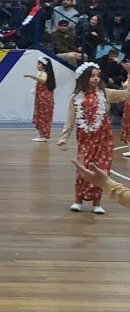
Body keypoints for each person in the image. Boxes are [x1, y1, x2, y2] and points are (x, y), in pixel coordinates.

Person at [58, 61, 130, 214]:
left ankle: (97, 202)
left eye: (98, 76)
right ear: (83, 78)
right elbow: (70, 119)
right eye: (92, 76)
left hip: (104, 140)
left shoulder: (105, 93)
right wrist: (64, 138)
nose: (96, 78)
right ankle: (78, 200)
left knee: (102, 169)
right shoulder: (75, 98)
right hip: (85, 141)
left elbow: (126, 95)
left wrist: (129, 74)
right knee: (82, 170)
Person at [24, 57, 56, 142]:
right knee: (42, 115)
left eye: (39, 64)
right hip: (42, 97)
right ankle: (42, 134)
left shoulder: (44, 73)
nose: (37, 65)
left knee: (43, 115)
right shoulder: (42, 73)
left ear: (44, 65)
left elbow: (43, 80)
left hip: (44, 98)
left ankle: (43, 135)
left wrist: (31, 76)